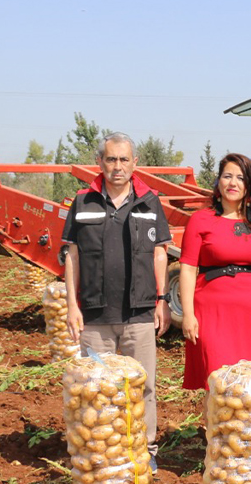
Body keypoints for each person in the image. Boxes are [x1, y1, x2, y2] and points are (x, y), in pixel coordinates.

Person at [62, 132, 173, 463]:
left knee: (144, 386)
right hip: (95, 318)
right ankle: (104, 452)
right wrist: (71, 306)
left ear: (134, 163)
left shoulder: (150, 201)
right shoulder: (83, 202)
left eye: (124, 159)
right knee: (97, 386)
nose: (118, 166)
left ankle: (145, 452)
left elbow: (159, 253)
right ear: (100, 162)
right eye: (111, 159)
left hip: (138, 314)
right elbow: (72, 256)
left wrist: (162, 299)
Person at [178, 153, 251, 389]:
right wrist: (188, 314)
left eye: (240, 178)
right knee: (216, 377)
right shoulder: (200, 220)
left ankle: (245, 426)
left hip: (250, 314)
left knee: (250, 379)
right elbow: (188, 269)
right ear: (218, 182)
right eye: (227, 176)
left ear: (249, 185)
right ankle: (215, 426)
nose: (233, 183)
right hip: (211, 311)